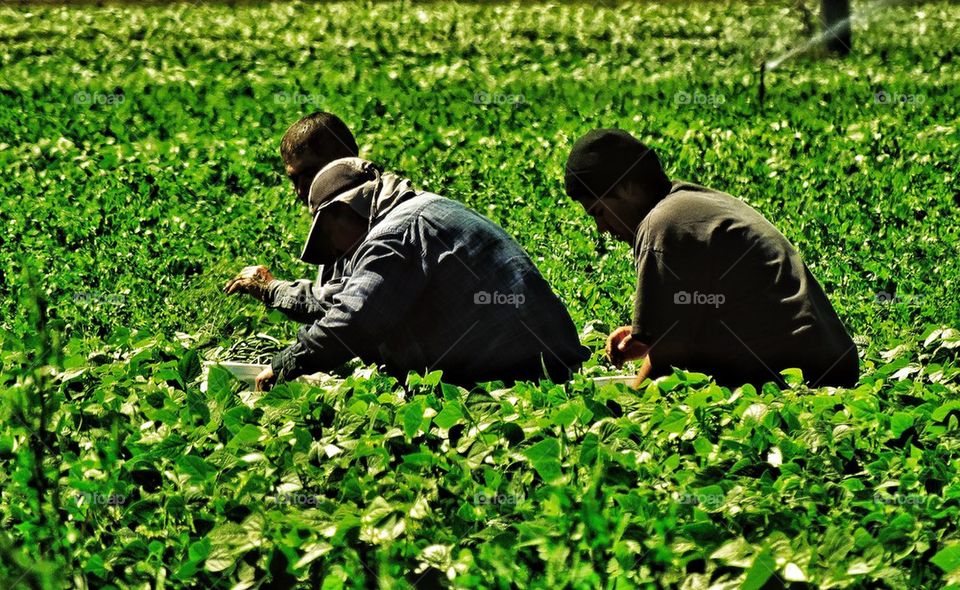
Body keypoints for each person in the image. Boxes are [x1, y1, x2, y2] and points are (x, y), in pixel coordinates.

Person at [227, 152, 589, 390]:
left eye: (327, 233)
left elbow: (353, 321)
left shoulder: (394, 234)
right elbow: (347, 300)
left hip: (520, 379)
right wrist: (273, 290)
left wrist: (288, 363)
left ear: (342, 212)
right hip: (547, 365)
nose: (334, 251)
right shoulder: (419, 211)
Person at [564, 128, 858, 388]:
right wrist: (649, 337)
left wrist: (624, 409)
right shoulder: (691, 203)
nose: (601, 229)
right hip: (831, 363)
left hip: (798, 377)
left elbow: (669, 360)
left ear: (627, 187)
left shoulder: (662, 223)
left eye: (600, 213)